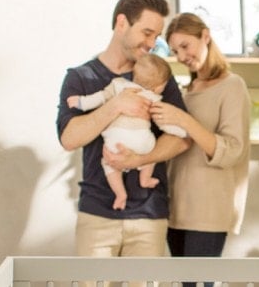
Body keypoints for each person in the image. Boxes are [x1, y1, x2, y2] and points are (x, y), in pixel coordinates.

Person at [105, 12, 250, 287]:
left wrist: (184, 120)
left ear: (205, 36)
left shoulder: (233, 86)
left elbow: (232, 150)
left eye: (186, 46)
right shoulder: (186, 91)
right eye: (175, 51)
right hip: (177, 209)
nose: (182, 56)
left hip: (209, 211)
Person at [57, 0, 189, 287]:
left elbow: (181, 137)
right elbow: (70, 138)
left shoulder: (158, 76)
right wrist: (115, 104)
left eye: (156, 36)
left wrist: (140, 159)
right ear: (121, 23)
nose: (152, 43)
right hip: (97, 214)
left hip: (148, 215)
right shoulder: (82, 77)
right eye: (147, 33)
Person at [67, 54, 187, 210]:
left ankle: (120, 194)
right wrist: (179, 131)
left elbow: (100, 98)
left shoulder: (118, 85)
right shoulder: (153, 98)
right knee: (152, 153)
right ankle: (145, 178)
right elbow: (162, 121)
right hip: (142, 141)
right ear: (158, 87)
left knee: (108, 164)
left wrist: (81, 102)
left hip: (115, 141)